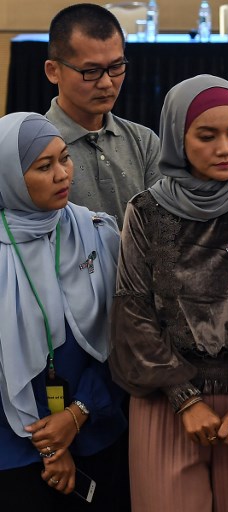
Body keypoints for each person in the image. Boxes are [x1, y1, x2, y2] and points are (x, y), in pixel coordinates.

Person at [108, 75, 228, 512]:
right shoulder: (144, 210)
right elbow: (133, 312)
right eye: (207, 135)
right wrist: (183, 399)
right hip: (164, 402)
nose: (226, 148)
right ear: (177, 138)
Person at [0, 112, 127, 511]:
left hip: (98, 427)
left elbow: (124, 338)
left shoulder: (97, 231)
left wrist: (78, 414)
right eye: (43, 166)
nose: (62, 174)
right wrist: (50, 447)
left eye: (64, 158)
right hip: (15, 447)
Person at [44, 3, 161, 226]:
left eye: (116, 67)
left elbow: (162, 229)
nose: (107, 83)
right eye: (91, 71)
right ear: (53, 71)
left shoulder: (144, 142)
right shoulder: (35, 146)